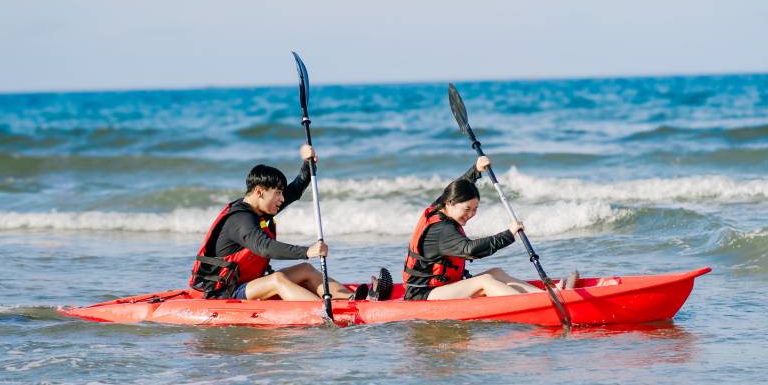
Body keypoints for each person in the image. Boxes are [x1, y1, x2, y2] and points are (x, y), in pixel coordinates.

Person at [191, 144, 391, 302]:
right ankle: (324, 311)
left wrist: (307, 162)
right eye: (277, 193)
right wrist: (307, 251)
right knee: (278, 280)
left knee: (305, 269)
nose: (281, 198)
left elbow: (295, 190)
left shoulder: (261, 208)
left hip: (252, 284)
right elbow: (265, 247)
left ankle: (352, 299)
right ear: (259, 191)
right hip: (228, 292)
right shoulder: (240, 219)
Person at [403, 156, 550, 301]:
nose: (471, 214)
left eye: (475, 209)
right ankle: (536, 305)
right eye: (467, 209)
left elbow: (459, 186)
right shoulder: (442, 230)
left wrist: (476, 170)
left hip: (443, 287)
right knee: (484, 281)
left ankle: (545, 296)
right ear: (450, 203)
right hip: (423, 295)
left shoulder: (441, 206)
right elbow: (470, 250)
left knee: (496, 273)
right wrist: (508, 235)